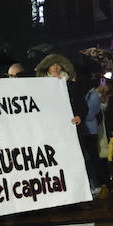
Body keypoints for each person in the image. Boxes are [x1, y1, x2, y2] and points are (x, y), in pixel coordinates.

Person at [38, 54, 94, 190]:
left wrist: (79, 116)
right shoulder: (40, 87)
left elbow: (82, 105)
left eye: (58, 65)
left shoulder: (71, 85)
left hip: (73, 129)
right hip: (53, 132)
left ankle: (86, 188)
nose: (56, 67)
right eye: (53, 65)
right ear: (47, 68)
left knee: (80, 158)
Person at [84, 78, 111, 199]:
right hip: (91, 129)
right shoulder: (93, 95)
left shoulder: (93, 95)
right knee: (95, 157)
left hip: (90, 129)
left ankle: (99, 183)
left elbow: (89, 114)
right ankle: (100, 182)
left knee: (94, 157)